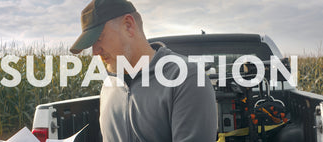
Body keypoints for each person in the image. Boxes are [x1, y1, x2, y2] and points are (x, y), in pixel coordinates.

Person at [69, 0, 217, 141]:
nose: (95, 51)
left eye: (99, 38)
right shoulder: (108, 86)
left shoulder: (186, 78)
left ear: (128, 25)